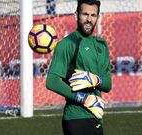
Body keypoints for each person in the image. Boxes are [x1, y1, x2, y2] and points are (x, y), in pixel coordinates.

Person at [46, 0, 111, 135]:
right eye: (85, 14)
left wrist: (96, 80)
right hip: (76, 118)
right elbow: (52, 81)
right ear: (76, 15)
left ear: (98, 17)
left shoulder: (102, 45)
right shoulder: (66, 44)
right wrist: (85, 99)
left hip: (96, 116)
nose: (89, 19)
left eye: (93, 15)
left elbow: (108, 84)